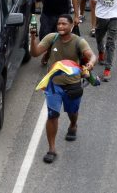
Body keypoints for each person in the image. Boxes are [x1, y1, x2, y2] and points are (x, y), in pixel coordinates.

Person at [29, 13, 97, 164]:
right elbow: (34, 53)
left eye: (64, 24)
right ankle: (51, 149)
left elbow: (92, 56)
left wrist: (90, 64)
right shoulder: (51, 38)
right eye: (59, 24)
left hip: (73, 85)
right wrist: (33, 38)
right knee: (52, 115)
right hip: (54, 85)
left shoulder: (79, 41)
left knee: (72, 112)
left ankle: (73, 124)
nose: (60, 26)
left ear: (71, 25)